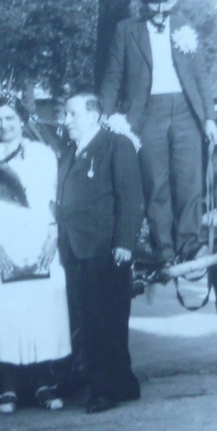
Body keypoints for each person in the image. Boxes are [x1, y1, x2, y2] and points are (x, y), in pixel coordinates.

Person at [98, 0, 217, 267]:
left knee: (189, 181)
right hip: (146, 114)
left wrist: (209, 117)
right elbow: (112, 78)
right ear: (143, 1)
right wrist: (104, 115)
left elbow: (201, 76)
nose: (161, 11)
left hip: (185, 113)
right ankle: (164, 250)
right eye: (153, 4)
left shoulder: (185, 28)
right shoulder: (126, 31)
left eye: (165, 3)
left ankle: (190, 244)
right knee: (156, 183)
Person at [0, 95, 71, 414]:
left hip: (39, 238)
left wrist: (52, 238)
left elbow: (56, 199)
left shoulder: (43, 154)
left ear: (22, 120)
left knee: (40, 311)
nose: (4, 125)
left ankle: (43, 383)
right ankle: (7, 387)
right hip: (1, 240)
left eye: (10, 118)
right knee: (6, 313)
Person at [56, 93, 144, 413]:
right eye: (65, 114)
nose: (65, 121)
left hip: (105, 249)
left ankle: (104, 391)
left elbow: (130, 197)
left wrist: (124, 243)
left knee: (104, 320)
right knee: (91, 318)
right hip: (75, 249)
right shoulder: (69, 153)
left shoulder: (115, 144)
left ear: (93, 116)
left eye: (71, 114)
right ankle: (123, 383)